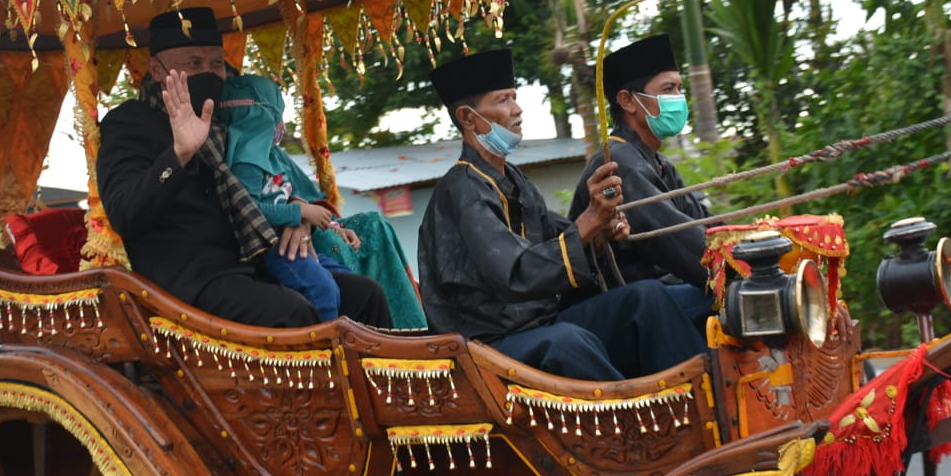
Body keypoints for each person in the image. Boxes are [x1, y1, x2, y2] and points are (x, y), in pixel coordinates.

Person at [416, 49, 707, 381]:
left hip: (540, 325)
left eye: (515, 97)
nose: (518, 109)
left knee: (646, 298)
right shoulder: (461, 190)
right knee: (568, 342)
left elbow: (562, 235)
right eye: (504, 100)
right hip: (488, 344)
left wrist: (602, 230)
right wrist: (587, 223)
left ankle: (701, 400)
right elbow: (515, 274)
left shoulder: (517, 182)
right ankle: (635, 427)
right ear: (468, 118)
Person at [96, 7, 392, 329]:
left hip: (256, 261)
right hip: (190, 279)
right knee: (292, 313)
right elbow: (124, 212)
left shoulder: (231, 117)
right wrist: (179, 154)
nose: (208, 73)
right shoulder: (130, 122)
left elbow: (272, 183)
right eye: (194, 64)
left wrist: (294, 212)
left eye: (216, 64)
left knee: (365, 295)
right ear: (157, 70)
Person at [216, 72, 429, 328]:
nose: (281, 125)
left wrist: (329, 223)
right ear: (261, 116)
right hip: (276, 248)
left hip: (302, 239)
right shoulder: (247, 161)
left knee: (355, 283)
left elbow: (302, 197)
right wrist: (300, 213)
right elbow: (249, 211)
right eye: (277, 114)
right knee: (324, 289)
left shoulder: (271, 155)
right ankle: (333, 351)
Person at [570, 34, 712, 328]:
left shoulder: (657, 163)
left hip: (663, 291)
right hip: (625, 308)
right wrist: (734, 271)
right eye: (667, 89)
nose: (678, 98)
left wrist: (756, 244)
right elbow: (676, 239)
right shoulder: (618, 162)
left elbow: (703, 225)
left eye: (680, 88)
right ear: (627, 100)